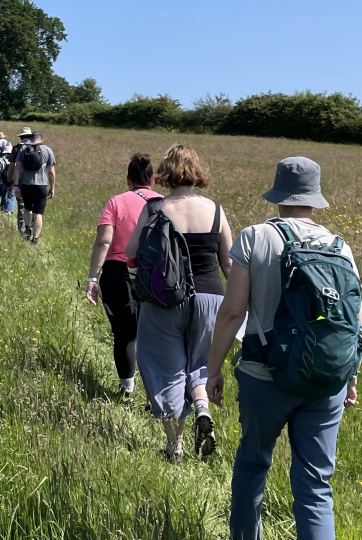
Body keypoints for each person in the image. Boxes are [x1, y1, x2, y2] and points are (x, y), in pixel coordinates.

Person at [205, 157, 362, 540]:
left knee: (252, 464)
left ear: (278, 193)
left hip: (265, 375)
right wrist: (351, 378)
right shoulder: (340, 247)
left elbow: (231, 313)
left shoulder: (255, 237)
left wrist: (213, 369)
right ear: (315, 197)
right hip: (326, 381)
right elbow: (356, 323)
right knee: (316, 487)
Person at [125, 143, 232, 462]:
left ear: (166, 172)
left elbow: (131, 251)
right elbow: (229, 263)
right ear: (197, 171)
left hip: (166, 299)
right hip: (211, 297)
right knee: (200, 363)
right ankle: (202, 409)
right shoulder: (215, 210)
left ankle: (176, 448)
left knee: (166, 368)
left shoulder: (155, 207)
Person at [86, 153, 159, 397]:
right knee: (155, 334)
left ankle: (126, 388)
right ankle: (155, 392)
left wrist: (92, 278)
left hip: (118, 273)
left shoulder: (116, 202)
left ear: (128, 180)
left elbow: (104, 241)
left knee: (125, 334)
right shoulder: (164, 203)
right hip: (156, 273)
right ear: (153, 181)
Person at [12, 129, 56, 245]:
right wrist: (52, 188)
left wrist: (16, 185)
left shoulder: (23, 149)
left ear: (31, 139)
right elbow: (51, 171)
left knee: (27, 208)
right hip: (41, 186)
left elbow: (17, 167)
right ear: (42, 139)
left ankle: (27, 228)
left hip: (26, 184)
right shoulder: (48, 149)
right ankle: (35, 239)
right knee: (38, 213)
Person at [7, 127, 33, 233]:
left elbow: (12, 167)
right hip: (35, 182)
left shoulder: (16, 148)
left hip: (20, 181)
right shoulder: (38, 148)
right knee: (34, 206)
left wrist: (10, 183)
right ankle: (33, 228)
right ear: (30, 137)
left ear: (21, 137)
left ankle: (22, 230)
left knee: (22, 206)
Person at [0, 132, 15, 213]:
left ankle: (4, 209)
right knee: (11, 196)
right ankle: (9, 210)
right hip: (12, 180)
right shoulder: (15, 160)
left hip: (3, 180)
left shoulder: (1, 160)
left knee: (4, 195)